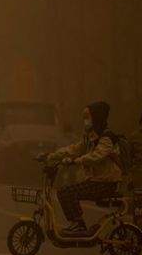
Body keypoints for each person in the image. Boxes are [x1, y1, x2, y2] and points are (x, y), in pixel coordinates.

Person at [44, 101, 123, 236]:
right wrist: (51, 156)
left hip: (105, 183)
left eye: (88, 117)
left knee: (66, 193)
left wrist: (77, 161)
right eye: (84, 118)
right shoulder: (90, 136)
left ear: (96, 117)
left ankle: (78, 224)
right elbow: (74, 149)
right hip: (95, 180)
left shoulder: (107, 138)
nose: (85, 121)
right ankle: (77, 223)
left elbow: (97, 156)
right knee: (65, 192)